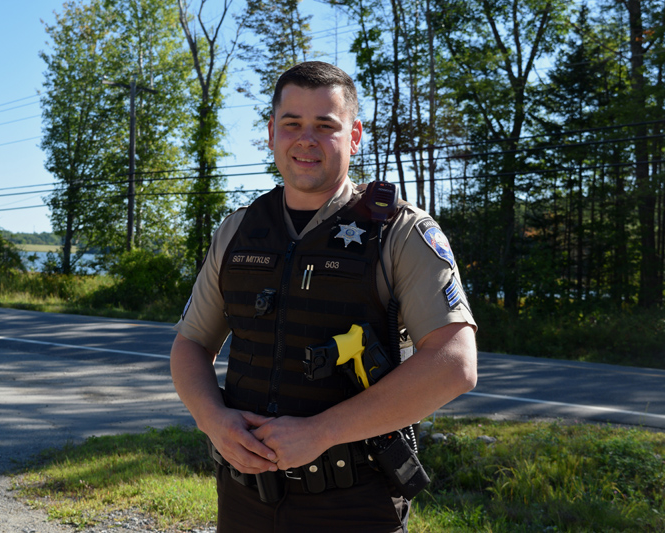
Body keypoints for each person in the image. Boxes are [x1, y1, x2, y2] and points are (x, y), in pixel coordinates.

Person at [170, 61, 477, 532]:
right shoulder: (239, 230)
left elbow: (455, 363)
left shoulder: (399, 231)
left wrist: (321, 432)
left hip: (353, 505)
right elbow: (190, 344)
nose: (306, 139)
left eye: (325, 126)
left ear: (354, 136)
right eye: (292, 124)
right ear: (272, 132)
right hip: (242, 500)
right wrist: (213, 419)